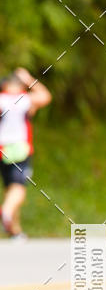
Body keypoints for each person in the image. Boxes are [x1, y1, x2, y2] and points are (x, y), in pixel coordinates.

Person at [0, 68, 51, 238]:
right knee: (18, 189)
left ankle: (15, 230)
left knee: (9, 189)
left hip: (2, 149)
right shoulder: (24, 99)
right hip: (18, 150)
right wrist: (29, 79)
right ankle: (6, 211)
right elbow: (45, 96)